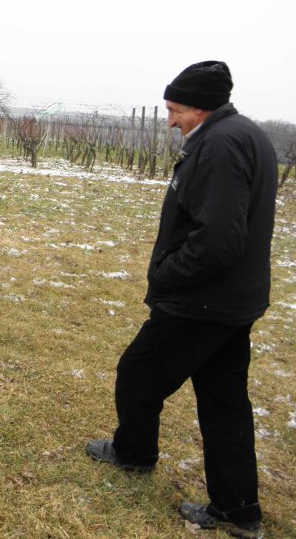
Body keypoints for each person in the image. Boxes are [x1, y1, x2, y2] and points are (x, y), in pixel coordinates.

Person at [86, 61, 277, 539]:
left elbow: (220, 239)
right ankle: (237, 509)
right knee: (223, 400)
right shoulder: (247, 134)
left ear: (202, 107)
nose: (170, 121)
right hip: (234, 300)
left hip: (202, 302)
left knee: (138, 373)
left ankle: (133, 453)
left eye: (176, 111)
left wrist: (168, 274)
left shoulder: (220, 145)